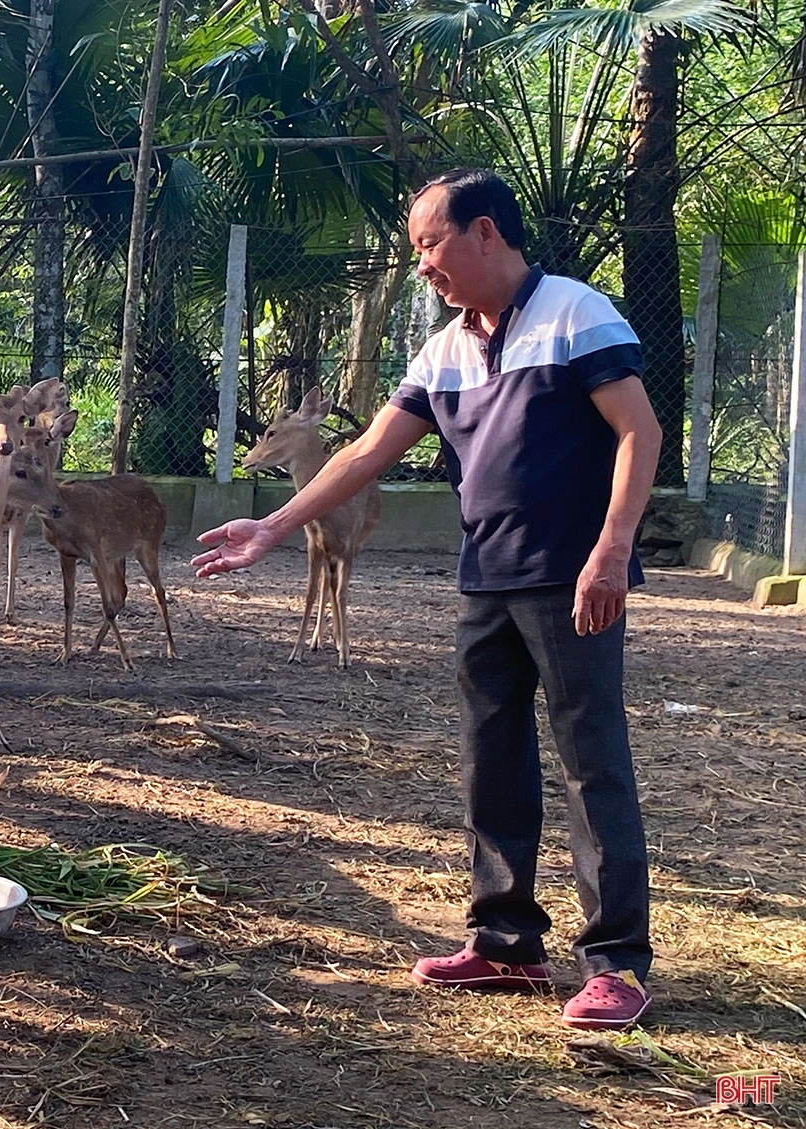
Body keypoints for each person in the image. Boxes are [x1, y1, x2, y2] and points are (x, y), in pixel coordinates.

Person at [193, 168, 661, 1030]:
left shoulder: (577, 314)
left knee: (591, 759)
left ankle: (616, 962)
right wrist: (275, 526)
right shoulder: (446, 347)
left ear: (485, 232)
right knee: (492, 758)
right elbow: (368, 449)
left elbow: (641, 430)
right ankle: (506, 941)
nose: (422, 265)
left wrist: (613, 548)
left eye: (430, 244)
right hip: (487, 578)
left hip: (572, 579)